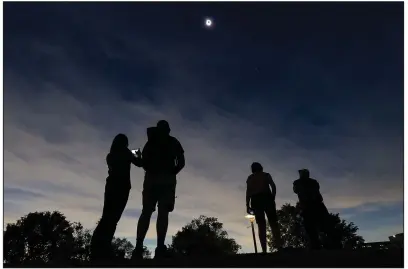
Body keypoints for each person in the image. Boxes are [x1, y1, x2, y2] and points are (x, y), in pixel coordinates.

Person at [132, 120, 185, 259]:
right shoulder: (173, 142)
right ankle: (160, 248)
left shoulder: (151, 142)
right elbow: (181, 162)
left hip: (151, 180)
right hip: (167, 181)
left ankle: (138, 248)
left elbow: (143, 163)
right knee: (163, 214)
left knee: (146, 213)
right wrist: (172, 172)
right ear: (168, 130)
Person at [91, 134, 143, 261]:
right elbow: (139, 163)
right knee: (112, 218)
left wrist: (133, 154)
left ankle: (99, 248)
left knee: (108, 217)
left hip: (112, 187)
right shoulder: (125, 153)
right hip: (120, 188)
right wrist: (137, 154)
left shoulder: (111, 155)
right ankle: (101, 248)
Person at [293, 169, 340, 250]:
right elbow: (296, 190)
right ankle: (318, 244)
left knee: (321, 225)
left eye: (301, 173)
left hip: (312, 205)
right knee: (312, 227)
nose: (300, 174)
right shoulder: (308, 182)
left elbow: (297, 190)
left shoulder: (300, 182)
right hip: (312, 205)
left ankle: (331, 243)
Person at [246, 162, 282, 253]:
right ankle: (279, 247)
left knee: (261, 225)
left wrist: (247, 205)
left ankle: (264, 250)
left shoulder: (250, 178)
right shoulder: (266, 175)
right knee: (273, 223)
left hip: (256, 201)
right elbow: (273, 186)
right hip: (266, 199)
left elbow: (248, 192)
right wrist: (272, 197)